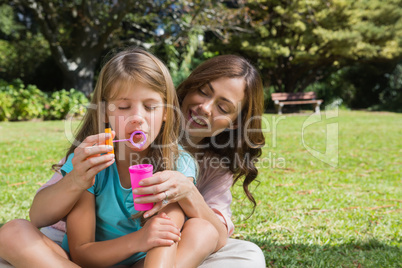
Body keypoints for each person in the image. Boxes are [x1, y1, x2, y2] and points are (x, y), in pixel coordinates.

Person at [0, 54, 266, 267]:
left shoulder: (182, 165)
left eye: (223, 107)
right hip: (74, 247)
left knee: (220, 240)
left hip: (149, 257)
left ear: (165, 111)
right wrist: (77, 180)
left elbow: (198, 236)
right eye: (124, 106)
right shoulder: (94, 159)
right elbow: (72, 244)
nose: (206, 108)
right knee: (13, 233)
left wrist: (187, 191)